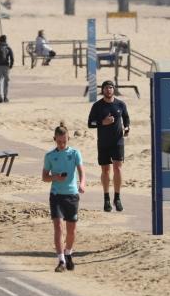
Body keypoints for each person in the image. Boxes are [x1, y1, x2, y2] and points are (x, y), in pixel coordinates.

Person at [42, 122, 85, 273]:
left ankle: (68, 253)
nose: (61, 144)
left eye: (64, 141)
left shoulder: (74, 153)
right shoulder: (50, 156)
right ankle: (61, 260)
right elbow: (44, 177)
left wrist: (82, 184)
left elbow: (81, 171)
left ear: (68, 139)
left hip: (72, 195)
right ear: (54, 139)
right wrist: (55, 177)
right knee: (58, 227)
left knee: (71, 231)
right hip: (56, 195)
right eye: (59, 141)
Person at [87, 80, 130, 212]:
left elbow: (126, 118)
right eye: (106, 88)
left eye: (111, 88)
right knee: (105, 170)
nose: (109, 90)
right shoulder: (97, 106)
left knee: (118, 169)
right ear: (103, 90)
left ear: (114, 89)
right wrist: (102, 122)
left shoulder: (120, 104)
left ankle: (117, 198)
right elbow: (90, 123)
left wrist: (127, 127)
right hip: (103, 142)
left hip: (117, 142)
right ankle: (106, 198)